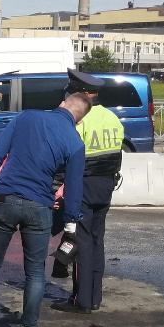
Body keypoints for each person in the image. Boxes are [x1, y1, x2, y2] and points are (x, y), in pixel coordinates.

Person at [0, 70, 101, 327]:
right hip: (39, 207)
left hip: (3, 200)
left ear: (63, 104)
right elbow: (74, 190)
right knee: (35, 272)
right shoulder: (76, 143)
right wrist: (70, 226)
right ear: (79, 117)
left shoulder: (26, 116)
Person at [52, 101, 124, 314]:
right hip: (107, 184)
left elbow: (68, 153)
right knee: (96, 240)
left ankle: (81, 301)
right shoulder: (111, 117)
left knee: (80, 241)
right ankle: (94, 297)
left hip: (84, 184)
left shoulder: (81, 119)